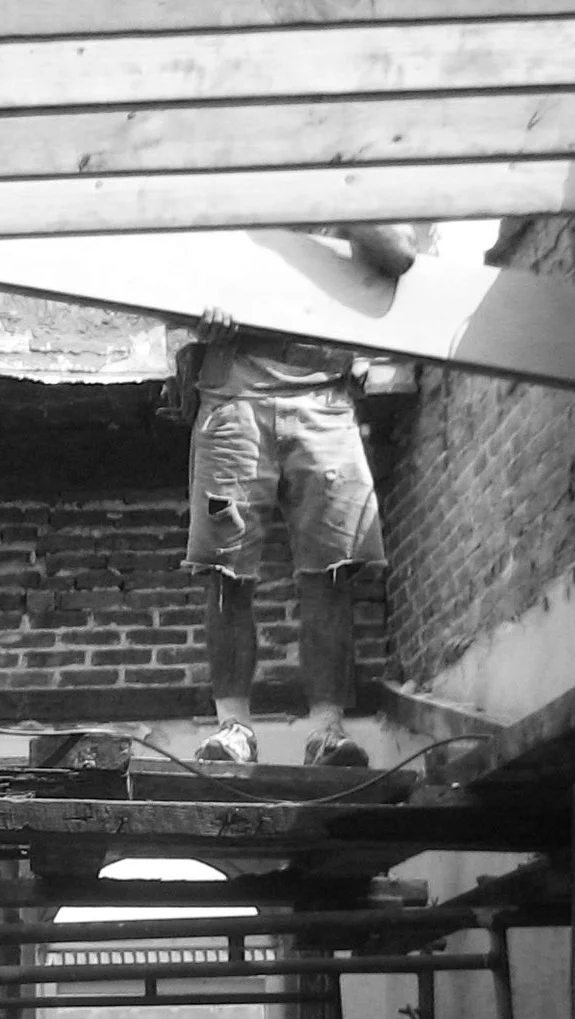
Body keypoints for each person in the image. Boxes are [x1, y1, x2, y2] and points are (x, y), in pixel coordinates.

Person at [184, 223, 419, 768]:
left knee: (331, 570)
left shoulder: (348, 182)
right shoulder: (230, 186)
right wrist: (201, 312)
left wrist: (327, 194)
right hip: (233, 397)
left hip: (325, 401)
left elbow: (399, 254)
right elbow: (170, 277)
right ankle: (233, 728)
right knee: (225, 573)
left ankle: (326, 731)